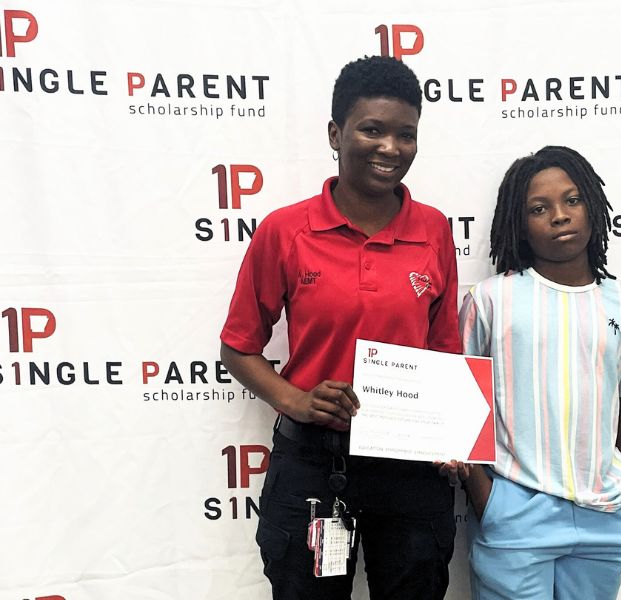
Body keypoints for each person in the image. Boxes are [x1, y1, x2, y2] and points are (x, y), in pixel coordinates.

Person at [219, 56, 461, 600]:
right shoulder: (285, 231)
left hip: (410, 467)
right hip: (313, 463)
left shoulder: (434, 230)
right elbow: (238, 347)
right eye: (372, 129)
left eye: (406, 134)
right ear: (336, 133)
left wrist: (452, 433)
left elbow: (445, 349)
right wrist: (297, 401)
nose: (390, 148)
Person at [458, 145, 621, 600]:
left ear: (592, 204)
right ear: (519, 225)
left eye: (572, 200)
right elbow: (464, 407)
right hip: (514, 512)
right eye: (539, 208)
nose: (560, 216)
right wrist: (484, 496)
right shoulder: (491, 300)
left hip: (605, 517)